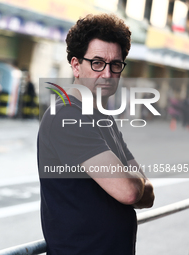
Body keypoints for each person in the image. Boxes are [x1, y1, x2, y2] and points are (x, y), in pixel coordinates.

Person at [38, 14, 154, 254]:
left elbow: (148, 194)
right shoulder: (67, 116)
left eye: (115, 65)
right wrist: (133, 182)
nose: (108, 75)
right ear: (76, 65)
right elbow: (130, 191)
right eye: (98, 63)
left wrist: (134, 183)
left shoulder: (104, 119)